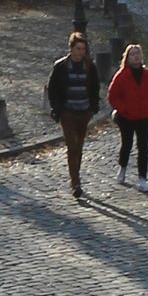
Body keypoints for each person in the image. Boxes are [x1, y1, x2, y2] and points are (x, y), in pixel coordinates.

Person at [43, 30, 101, 198]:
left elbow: (95, 87)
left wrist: (93, 107)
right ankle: (75, 182)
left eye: (83, 49)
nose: (80, 52)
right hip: (67, 112)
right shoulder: (61, 67)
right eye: (78, 49)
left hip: (84, 111)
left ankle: (76, 175)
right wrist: (57, 109)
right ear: (71, 48)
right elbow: (52, 89)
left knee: (79, 146)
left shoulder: (90, 66)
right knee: (72, 145)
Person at [108, 39, 148, 187]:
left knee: (143, 146)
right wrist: (123, 109)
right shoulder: (122, 75)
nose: (136, 57)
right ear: (127, 57)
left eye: (137, 54)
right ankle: (122, 168)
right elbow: (112, 95)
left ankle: (142, 178)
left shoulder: (147, 74)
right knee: (127, 144)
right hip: (127, 117)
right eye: (132, 54)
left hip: (143, 115)